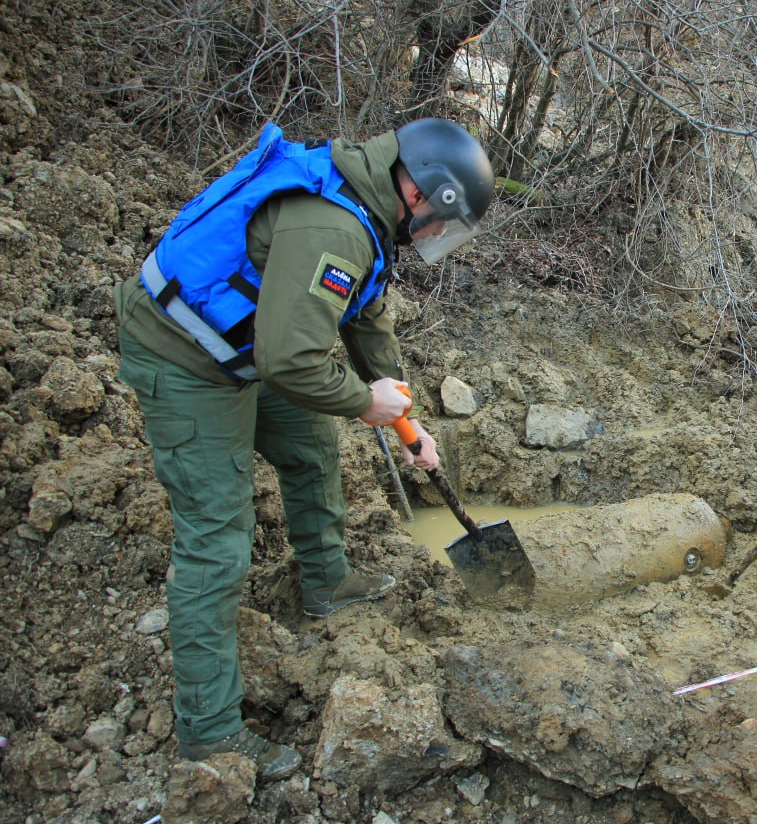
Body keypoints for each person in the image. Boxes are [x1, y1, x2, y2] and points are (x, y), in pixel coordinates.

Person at [114, 118, 495, 780]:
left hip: (248, 346)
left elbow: (366, 318)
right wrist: (364, 403)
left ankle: (327, 581)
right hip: (183, 354)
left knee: (312, 443)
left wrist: (408, 423)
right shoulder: (335, 229)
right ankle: (211, 733)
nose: (435, 234)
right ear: (422, 194)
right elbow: (291, 361)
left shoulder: (369, 211)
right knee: (217, 538)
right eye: (441, 221)